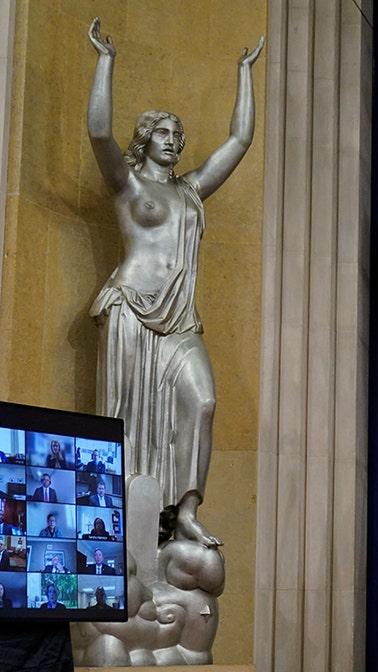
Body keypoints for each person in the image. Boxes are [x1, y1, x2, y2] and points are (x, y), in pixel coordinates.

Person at [86, 18, 263, 548]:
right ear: (145, 140)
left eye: (177, 135)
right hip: (129, 312)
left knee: (203, 402)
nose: (173, 141)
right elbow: (98, 132)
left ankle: (184, 510)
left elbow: (240, 138)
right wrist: (105, 61)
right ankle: (122, 518)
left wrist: (244, 74)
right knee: (122, 416)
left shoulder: (190, 192)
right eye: (163, 133)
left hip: (179, 320)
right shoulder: (127, 183)